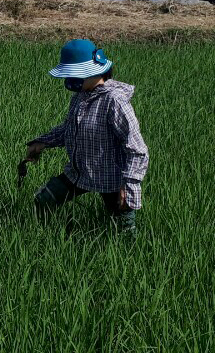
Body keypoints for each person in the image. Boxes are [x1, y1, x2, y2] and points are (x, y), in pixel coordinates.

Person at [20, 38, 148, 236]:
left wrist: (129, 185)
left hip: (112, 179)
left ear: (96, 72)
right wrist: (42, 142)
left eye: (75, 75)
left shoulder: (115, 102)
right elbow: (69, 129)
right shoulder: (81, 96)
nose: (70, 81)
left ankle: (132, 256)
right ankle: (37, 236)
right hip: (79, 172)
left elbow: (136, 148)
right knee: (43, 200)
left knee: (123, 231)